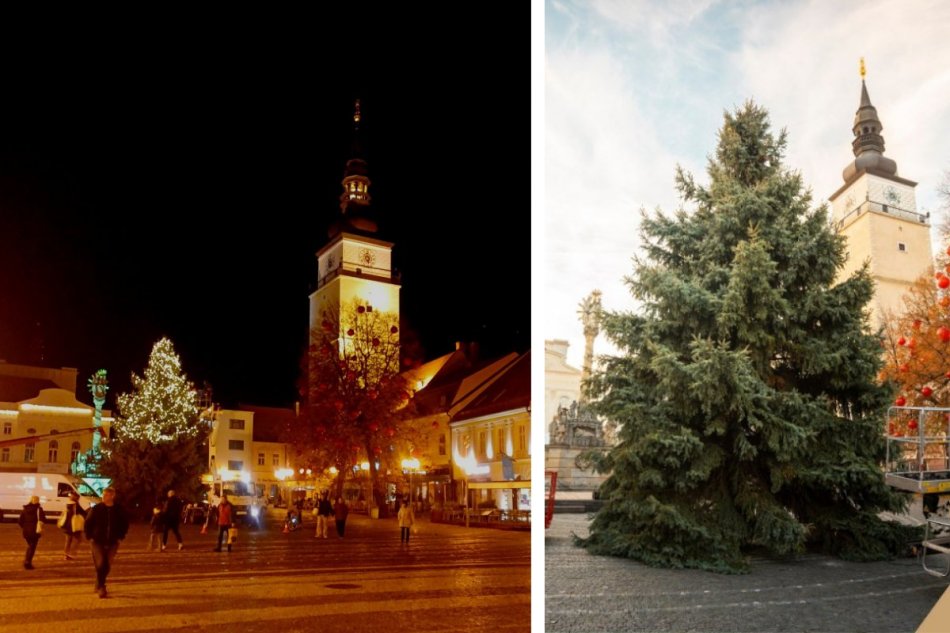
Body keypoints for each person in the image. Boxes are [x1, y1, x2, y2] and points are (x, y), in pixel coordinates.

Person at [84, 486, 129, 598]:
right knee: (100, 563)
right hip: (97, 540)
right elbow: (88, 523)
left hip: (113, 541)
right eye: (103, 495)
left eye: (106, 495)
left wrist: (121, 536)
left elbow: (125, 524)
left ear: (112, 496)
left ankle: (98, 583)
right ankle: (101, 586)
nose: (103, 497)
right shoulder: (97, 509)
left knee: (107, 564)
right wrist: (89, 536)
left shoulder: (119, 510)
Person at [18, 495, 46, 569]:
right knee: (32, 546)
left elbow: (20, 521)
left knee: (30, 545)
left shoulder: (25, 509)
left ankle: (27, 561)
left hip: (26, 531)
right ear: (38, 501)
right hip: (35, 531)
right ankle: (27, 562)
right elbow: (43, 519)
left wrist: (25, 527)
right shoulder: (39, 509)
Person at [60, 491, 87, 560]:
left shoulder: (67, 504)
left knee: (68, 540)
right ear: (76, 497)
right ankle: (72, 553)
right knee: (78, 539)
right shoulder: (75, 505)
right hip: (74, 525)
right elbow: (83, 512)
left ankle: (66, 554)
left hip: (67, 525)